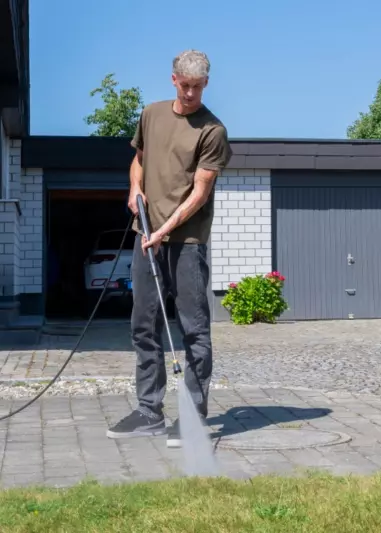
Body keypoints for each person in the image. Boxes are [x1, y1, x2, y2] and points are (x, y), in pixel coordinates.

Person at [106, 49, 232, 448]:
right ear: (173, 80)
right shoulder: (152, 114)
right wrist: (134, 189)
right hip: (146, 234)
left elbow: (199, 193)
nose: (192, 93)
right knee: (143, 325)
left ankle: (192, 416)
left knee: (194, 329)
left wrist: (165, 231)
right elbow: (138, 160)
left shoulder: (212, 130)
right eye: (186, 85)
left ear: (206, 84)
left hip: (186, 241)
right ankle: (149, 412)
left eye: (198, 86)